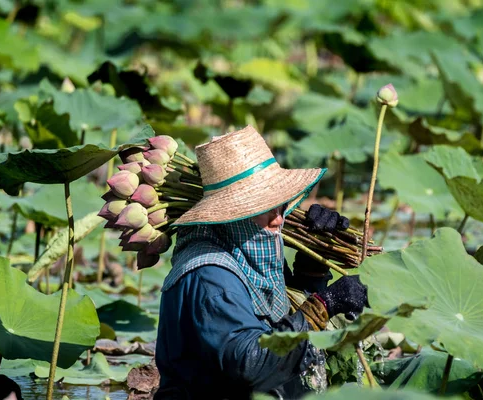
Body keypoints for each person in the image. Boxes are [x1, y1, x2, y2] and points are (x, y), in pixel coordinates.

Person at [154, 125, 369, 399]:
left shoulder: (245, 249)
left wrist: (312, 265)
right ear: (233, 214)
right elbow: (250, 363)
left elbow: (280, 321)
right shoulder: (210, 275)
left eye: (279, 204)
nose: (279, 218)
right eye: (264, 208)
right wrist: (324, 305)